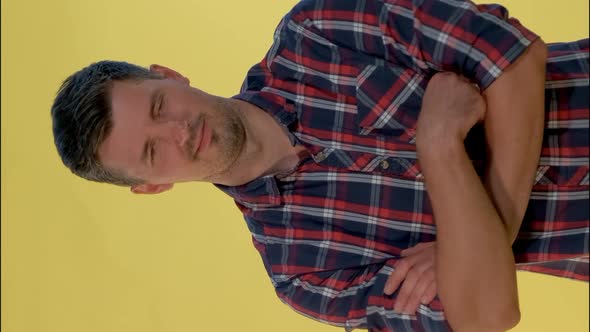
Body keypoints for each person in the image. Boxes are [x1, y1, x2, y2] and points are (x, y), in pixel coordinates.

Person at [50, 0, 589, 331]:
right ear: (153, 186)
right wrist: (439, 145)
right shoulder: (303, 272)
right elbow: (487, 315)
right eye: (152, 151)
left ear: (169, 74)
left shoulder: (317, 29)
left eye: (158, 107)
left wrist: (475, 245)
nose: (179, 133)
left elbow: (513, 55)